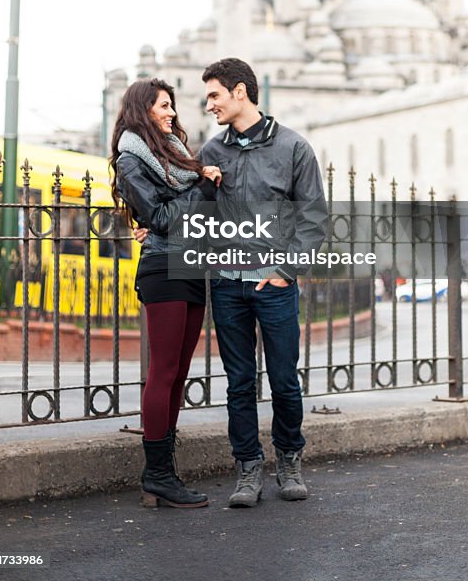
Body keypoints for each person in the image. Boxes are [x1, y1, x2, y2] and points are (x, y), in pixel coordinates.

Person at [199, 58, 328, 508]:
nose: (208, 104)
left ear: (240, 92)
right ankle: (248, 469)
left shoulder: (294, 147)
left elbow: (313, 220)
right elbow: (196, 216)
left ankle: (289, 460)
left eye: (214, 94)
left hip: (274, 285)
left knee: (283, 379)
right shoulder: (211, 153)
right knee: (238, 382)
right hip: (228, 285)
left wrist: (284, 271)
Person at [111, 77, 221, 509]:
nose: (171, 112)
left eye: (172, 105)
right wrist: (202, 186)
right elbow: (158, 216)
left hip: (191, 264)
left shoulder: (174, 156)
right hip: (163, 266)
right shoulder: (131, 158)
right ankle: (156, 474)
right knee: (163, 369)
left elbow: (195, 215)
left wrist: (200, 186)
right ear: (142, 109)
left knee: (179, 373)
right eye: (162, 106)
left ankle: (164, 472)